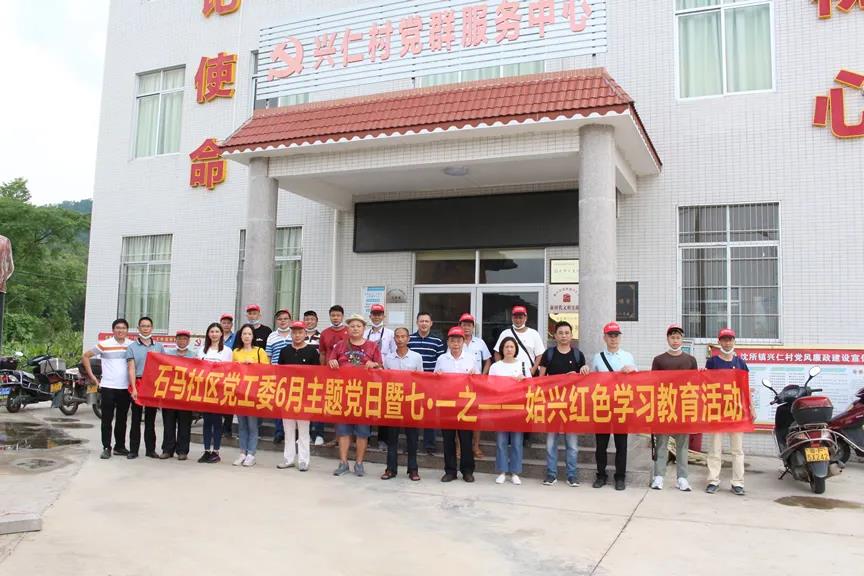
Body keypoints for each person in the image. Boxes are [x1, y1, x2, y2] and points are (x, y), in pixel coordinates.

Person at [328, 314, 383, 477]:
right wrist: (332, 363)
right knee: (343, 431)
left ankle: (359, 463)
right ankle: (343, 462)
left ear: (364, 328)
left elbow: (381, 369)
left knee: (362, 432)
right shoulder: (340, 346)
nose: (355, 329)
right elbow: (330, 365)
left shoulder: (372, 346)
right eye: (352, 326)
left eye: (358, 326)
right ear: (348, 329)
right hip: (343, 394)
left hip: (364, 396)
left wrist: (374, 365)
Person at [538, 320, 589, 487]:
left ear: (571, 335)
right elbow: (541, 380)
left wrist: (582, 372)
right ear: (555, 336)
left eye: (567, 333)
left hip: (572, 405)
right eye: (560, 333)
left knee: (572, 445)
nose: (564, 336)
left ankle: (572, 475)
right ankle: (551, 474)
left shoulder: (578, 355)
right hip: (552, 405)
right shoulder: (549, 354)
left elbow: (584, 382)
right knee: (550, 443)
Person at [650, 323, 699, 492]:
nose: (675, 340)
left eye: (678, 337)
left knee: (682, 445)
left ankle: (682, 478)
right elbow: (653, 384)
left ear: (682, 339)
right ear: (668, 339)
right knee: (661, 443)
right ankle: (659, 476)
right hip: (664, 406)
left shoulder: (690, 360)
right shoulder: (659, 360)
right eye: (672, 337)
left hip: (683, 406)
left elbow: (695, 384)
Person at [591, 322, 637, 491]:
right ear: (604, 338)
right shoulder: (597, 357)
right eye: (610, 335)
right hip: (602, 404)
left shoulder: (628, 356)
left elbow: (637, 381)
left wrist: (632, 370)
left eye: (616, 335)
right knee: (601, 444)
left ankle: (620, 477)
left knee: (621, 444)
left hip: (621, 404)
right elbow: (592, 381)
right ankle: (601, 475)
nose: (613, 339)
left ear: (620, 337)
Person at [704, 327, 749, 496]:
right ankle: (713, 480)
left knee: (737, 450)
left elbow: (745, 389)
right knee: (715, 448)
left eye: (730, 339)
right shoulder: (712, 362)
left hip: (736, 411)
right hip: (716, 410)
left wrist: (750, 408)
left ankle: (738, 483)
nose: (727, 343)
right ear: (719, 342)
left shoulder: (741, 363)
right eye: (724, 340)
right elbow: (706, 385)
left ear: (734, 341)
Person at [82, 318, 131, 460]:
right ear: (113, 330)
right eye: (118, 328)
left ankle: (120, 446)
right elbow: (85, 356)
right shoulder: (104, 345)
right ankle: (106, 447)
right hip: (108, 387)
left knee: (122, 419)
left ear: (127, 331)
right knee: (106, 419)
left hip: (125, 388)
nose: (120, 330)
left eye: (123, 328)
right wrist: (93, 377)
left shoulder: (131, 346)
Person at [380, 327, 424, 481]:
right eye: (397, 337)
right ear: (394, 339)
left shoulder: (416, 357)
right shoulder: (389, 358)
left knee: (412, 438)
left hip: (411, 401)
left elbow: (421, 379)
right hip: (394, 401)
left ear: (408, 339)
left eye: (403, 336)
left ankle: (413, 469)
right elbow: (385, 379)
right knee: (392, 438)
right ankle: (390, 469)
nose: (400, 339)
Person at [276, 321, 320, 472]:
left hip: (304, 396)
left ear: (305, 334)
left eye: (300, 332)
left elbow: (316, 375)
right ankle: (288, 459)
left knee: (303, 430)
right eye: (294, 332)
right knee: (288, 430)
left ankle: (303, 460)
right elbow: (279, 373)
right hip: (287, 395)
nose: (297, 335)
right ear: (291, 334)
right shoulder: (284, 351)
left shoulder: (312, 352)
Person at [435, 327, 476, 483]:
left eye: (459, 340)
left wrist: (474, 375)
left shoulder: (470, 358)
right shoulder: (441, 359)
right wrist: (437, 376)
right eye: (452, 340)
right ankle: (450, 471)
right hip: (447, 405)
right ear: (448, 342)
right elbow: (435, 380)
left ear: (463, 342)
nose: (456, 344)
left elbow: (478, 381)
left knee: (466, 439)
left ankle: (467, 471)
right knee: (448, 439)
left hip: (466, 405)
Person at [489, 337, 528, 485]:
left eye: (512, 347)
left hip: (518, 408)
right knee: (501, 441)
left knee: (517, 442)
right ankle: (502, 471)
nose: (509, 349)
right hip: (500, 408)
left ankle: (515, 472)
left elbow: (531, 385)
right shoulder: (495, 366)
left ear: (515, 349)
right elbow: (489, 386)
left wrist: (523, 380)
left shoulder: (522, 364)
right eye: (506, 347)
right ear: (502, 349)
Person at [125, 316, 164, 459]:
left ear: (152, 328)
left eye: (148, 326)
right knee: (135, 419)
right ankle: (133, 450)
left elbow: (163, 367)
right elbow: (131, 369)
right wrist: (134, 388)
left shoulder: (158, 346)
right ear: (138, 328)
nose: (145, 328)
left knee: (150, 419)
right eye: (143, 326)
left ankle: (150, 450)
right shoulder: (132, 347)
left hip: (152, 385)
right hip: (138, 383)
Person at [408, 312, 446, 454]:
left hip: (431, 382)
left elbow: (440, 361)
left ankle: (429, 445)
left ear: (431, 323)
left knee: (430, 413)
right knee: (412, 413)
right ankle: (411, 444)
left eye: (426, 321)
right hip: (412, 383)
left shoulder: (437, 341)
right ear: (417, 322)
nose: (423, 323)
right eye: (421, 321)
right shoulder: (409, 339)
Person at [232, 324, 269, 467]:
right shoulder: (236, 352)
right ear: (240, 336)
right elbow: (230, 370)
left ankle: (251, 454)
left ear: (253, 336)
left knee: (252, 425)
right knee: (242, 425)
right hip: (240, 392)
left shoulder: (260, 351)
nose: (246, 336)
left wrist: (254, 364)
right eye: (244, 334)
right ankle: (242, 452)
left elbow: (267, 370)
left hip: (254, 393)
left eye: (249, 334)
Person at [197, 322, 233, 463]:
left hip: (219, 391)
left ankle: (216, 451)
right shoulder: (202, 350)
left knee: (217, 422)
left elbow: (229, 370)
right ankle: (206, 451)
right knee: (207, 421)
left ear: (221, 334)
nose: (214, 334)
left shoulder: (227, 351)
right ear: (208, 334)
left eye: (217, 331)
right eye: (211, 331)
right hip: (205, 391)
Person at [459, 313, 492, 459]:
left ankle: (475, 446)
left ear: (473, 327)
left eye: (469, 325)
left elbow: (488, 360)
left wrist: (483, 376)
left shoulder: (480, 343)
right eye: (464, 325)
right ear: (460, 326)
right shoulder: (455, 342)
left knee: (476, 417)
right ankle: (459, 448)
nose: (466, 327)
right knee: (459, 416)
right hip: (459, 386)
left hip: (476, 385)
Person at [364, 304, 396, 451]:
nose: (376, 317)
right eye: (374, 314)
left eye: (379, 314)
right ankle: (366, 437)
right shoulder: (365, 333)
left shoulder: (390, 334)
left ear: (384, 316)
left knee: (383, 406)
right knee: (368, 405)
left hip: (384, 374)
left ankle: (383, 439)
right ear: (370, 316)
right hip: (367, 374)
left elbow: (393, 353)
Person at [162, 330, 194, 461]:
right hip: (170, 393)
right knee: (168, 423)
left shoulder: (194, 356)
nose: (182, 341)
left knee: (184, 424)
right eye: (179, 338)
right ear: (176, 340)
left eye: (184, 339)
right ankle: (167, 449)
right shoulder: (168, 354)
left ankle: (182, 450)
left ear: (188, 341)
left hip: (186, 394)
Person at [266, 309, 294, 444]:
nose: (283, 321)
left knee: (293, 404)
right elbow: (269, 356)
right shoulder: (272, 336)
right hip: (277, 374)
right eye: (280, 319)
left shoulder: (295, 333)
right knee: (279, 403)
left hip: (294, 376)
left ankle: (292, 433)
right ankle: (279, 432)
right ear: (276, 321)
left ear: (290, 320)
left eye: (285, 318)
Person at [493, 305, 546, 373]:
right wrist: (500, 368)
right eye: (515, 317)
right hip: (508, 373)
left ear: (525, 318)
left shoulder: (534, 334)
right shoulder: (505, 333)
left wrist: (534, 369)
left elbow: (540, 355)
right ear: (512, 318)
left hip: (527, 372)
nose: (518, 320)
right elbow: (497, 353)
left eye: (520, 317)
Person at [303, 310, 325, 445]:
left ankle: (319, 434)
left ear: (316, 321)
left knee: (317, 405)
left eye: (312, 319)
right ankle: (306, 434)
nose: (309, 322)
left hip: (317, 377)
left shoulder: (322, 336)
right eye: (307, 319)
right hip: (302, 378)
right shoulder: (299, 335)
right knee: (304, 406)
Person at [220, 313, 236, 438]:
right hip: (217, 374)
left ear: (232, 324)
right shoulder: (216, 336)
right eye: (224, 323)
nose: (226, 325)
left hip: (231, 373)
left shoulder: (236, 337)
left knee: (229, 401)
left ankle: (227, 428)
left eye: (228, 323)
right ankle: (218, 427)